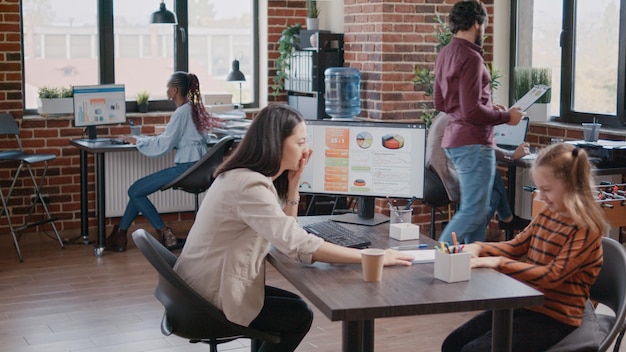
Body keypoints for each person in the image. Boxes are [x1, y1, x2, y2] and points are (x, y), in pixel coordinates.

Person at [172, 104, 415, 352]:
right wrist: (372, 257)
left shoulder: (243, 176)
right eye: (300, 142)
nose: (306, 150)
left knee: (295, 308)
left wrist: (294, 184)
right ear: (276, 143)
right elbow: (298, 244)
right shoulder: (250, 186)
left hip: (197, 288)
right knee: (298, 316)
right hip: (210, 297)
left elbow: (287, 231)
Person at [441, 143, 607, 352]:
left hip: (556, 318)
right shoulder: (548, 214)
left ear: (571, 186)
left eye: (546, 189)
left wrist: (499, 263)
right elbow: (515, 247)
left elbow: (552, 276)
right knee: (452, 344)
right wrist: (477, 248)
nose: (541, 196)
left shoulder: (586, 229)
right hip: (527, 304)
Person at [432, 0, 525, 244]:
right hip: (472, 142)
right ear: (476, 23)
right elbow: (472, 112)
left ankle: (467, 269)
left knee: (477, 212)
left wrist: (486, 106)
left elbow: (441, 103)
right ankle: (438, 258)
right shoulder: (471, 57)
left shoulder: (445, 53)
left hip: (455, 141)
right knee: (474, 212)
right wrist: (507, 117)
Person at [105, 71, 215, 252]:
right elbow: (202, 136)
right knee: (137, 191)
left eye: (167, 88)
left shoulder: (181, 113)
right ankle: (120, 236)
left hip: (187, 169)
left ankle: (165, 234)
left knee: (134, 191)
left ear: (174, 90)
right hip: (199, 167)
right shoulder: (194, 109)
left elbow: (163, 145)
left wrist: (137, 140)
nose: (166, 91)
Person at [425, 112, 530, 234]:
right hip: (446, 176)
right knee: (491, 174)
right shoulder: (459, 118)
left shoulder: (444, 114)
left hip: (432, 177)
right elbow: (483, 146)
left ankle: (505, 219)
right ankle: (503, 219)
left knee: (494, 193)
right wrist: (512, 155)